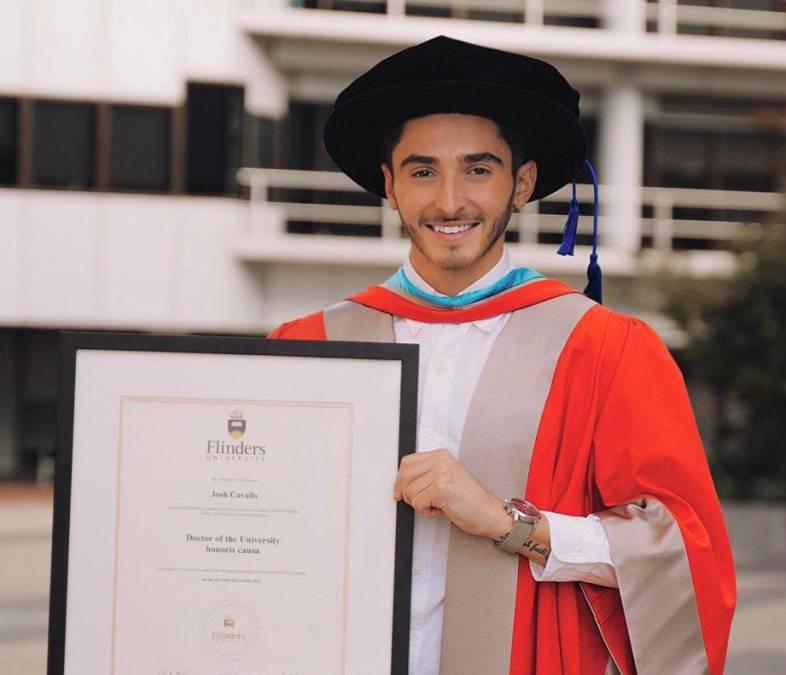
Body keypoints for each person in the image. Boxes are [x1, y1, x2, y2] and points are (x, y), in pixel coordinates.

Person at [269, 35, 735, 675]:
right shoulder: (307, 347)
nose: (450, 201)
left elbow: (682, 549)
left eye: (479, 170)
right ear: (391, 185)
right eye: (422, 170)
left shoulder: (603, 349)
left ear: (522, 184)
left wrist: (506, 522)